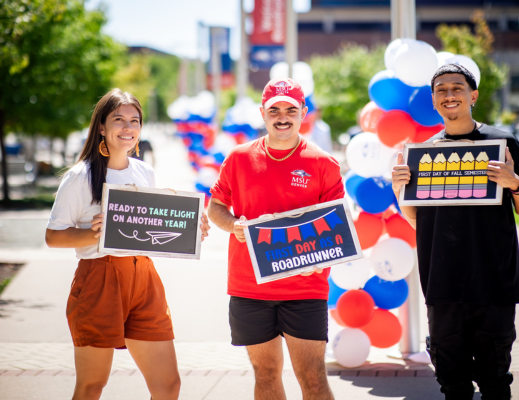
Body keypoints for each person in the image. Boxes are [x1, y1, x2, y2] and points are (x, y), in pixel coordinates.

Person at [45, 88, 210, 400]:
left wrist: (189, 229)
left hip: (144, 278)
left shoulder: (144, 171)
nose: (127, 127)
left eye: (134, 121)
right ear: (102, 127)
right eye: (118, 119)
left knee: (168, 386)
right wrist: (94, 233)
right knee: (92, 385)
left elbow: (147, 230)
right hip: (99, 279)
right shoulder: (80, 177)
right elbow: (53, 236)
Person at [392, 64, 519, 400]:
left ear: (473, 95)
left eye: (457, 88)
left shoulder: (502, 143)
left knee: (494, 383)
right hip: (442, 285)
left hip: (493, 285)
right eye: (441, 89)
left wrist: (513, 183)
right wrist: (399, 190)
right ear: (433, 101)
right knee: (452, 385)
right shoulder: (423, 154)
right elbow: (416, 219)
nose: (449, 95)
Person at [208, 78, 344, 400]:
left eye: (291, 110)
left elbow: (337, 227)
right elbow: (215, 207)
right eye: (275, 110)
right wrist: (233, 225)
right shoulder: (239, 158)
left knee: (312, 377)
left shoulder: (323, 163)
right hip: (249, 287)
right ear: (263, 113)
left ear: (303, 113)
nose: (282, 116)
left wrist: (321, 258)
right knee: (266, 375)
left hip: (304, 286)